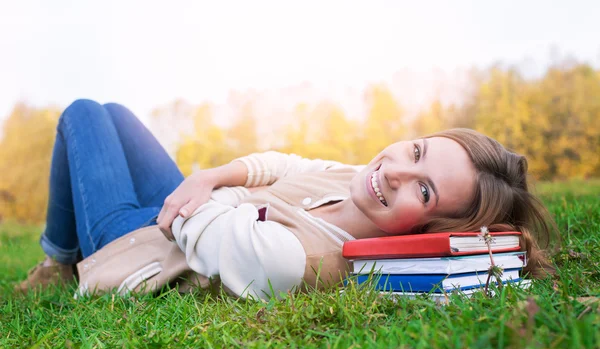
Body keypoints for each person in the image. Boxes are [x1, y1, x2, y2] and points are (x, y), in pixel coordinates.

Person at [15, 99, 556, 299]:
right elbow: (287, 166)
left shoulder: (305, 261)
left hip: (143, 239)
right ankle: (57, 256)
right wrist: (213, 178)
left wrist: (215, 192)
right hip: (182, 201)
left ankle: (60, 260)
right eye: (415, 151)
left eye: (423, 188)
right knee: (117, 112)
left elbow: (212, 229)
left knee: (83, 114)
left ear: (430, 228)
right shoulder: (358, 181)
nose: (393, 172)